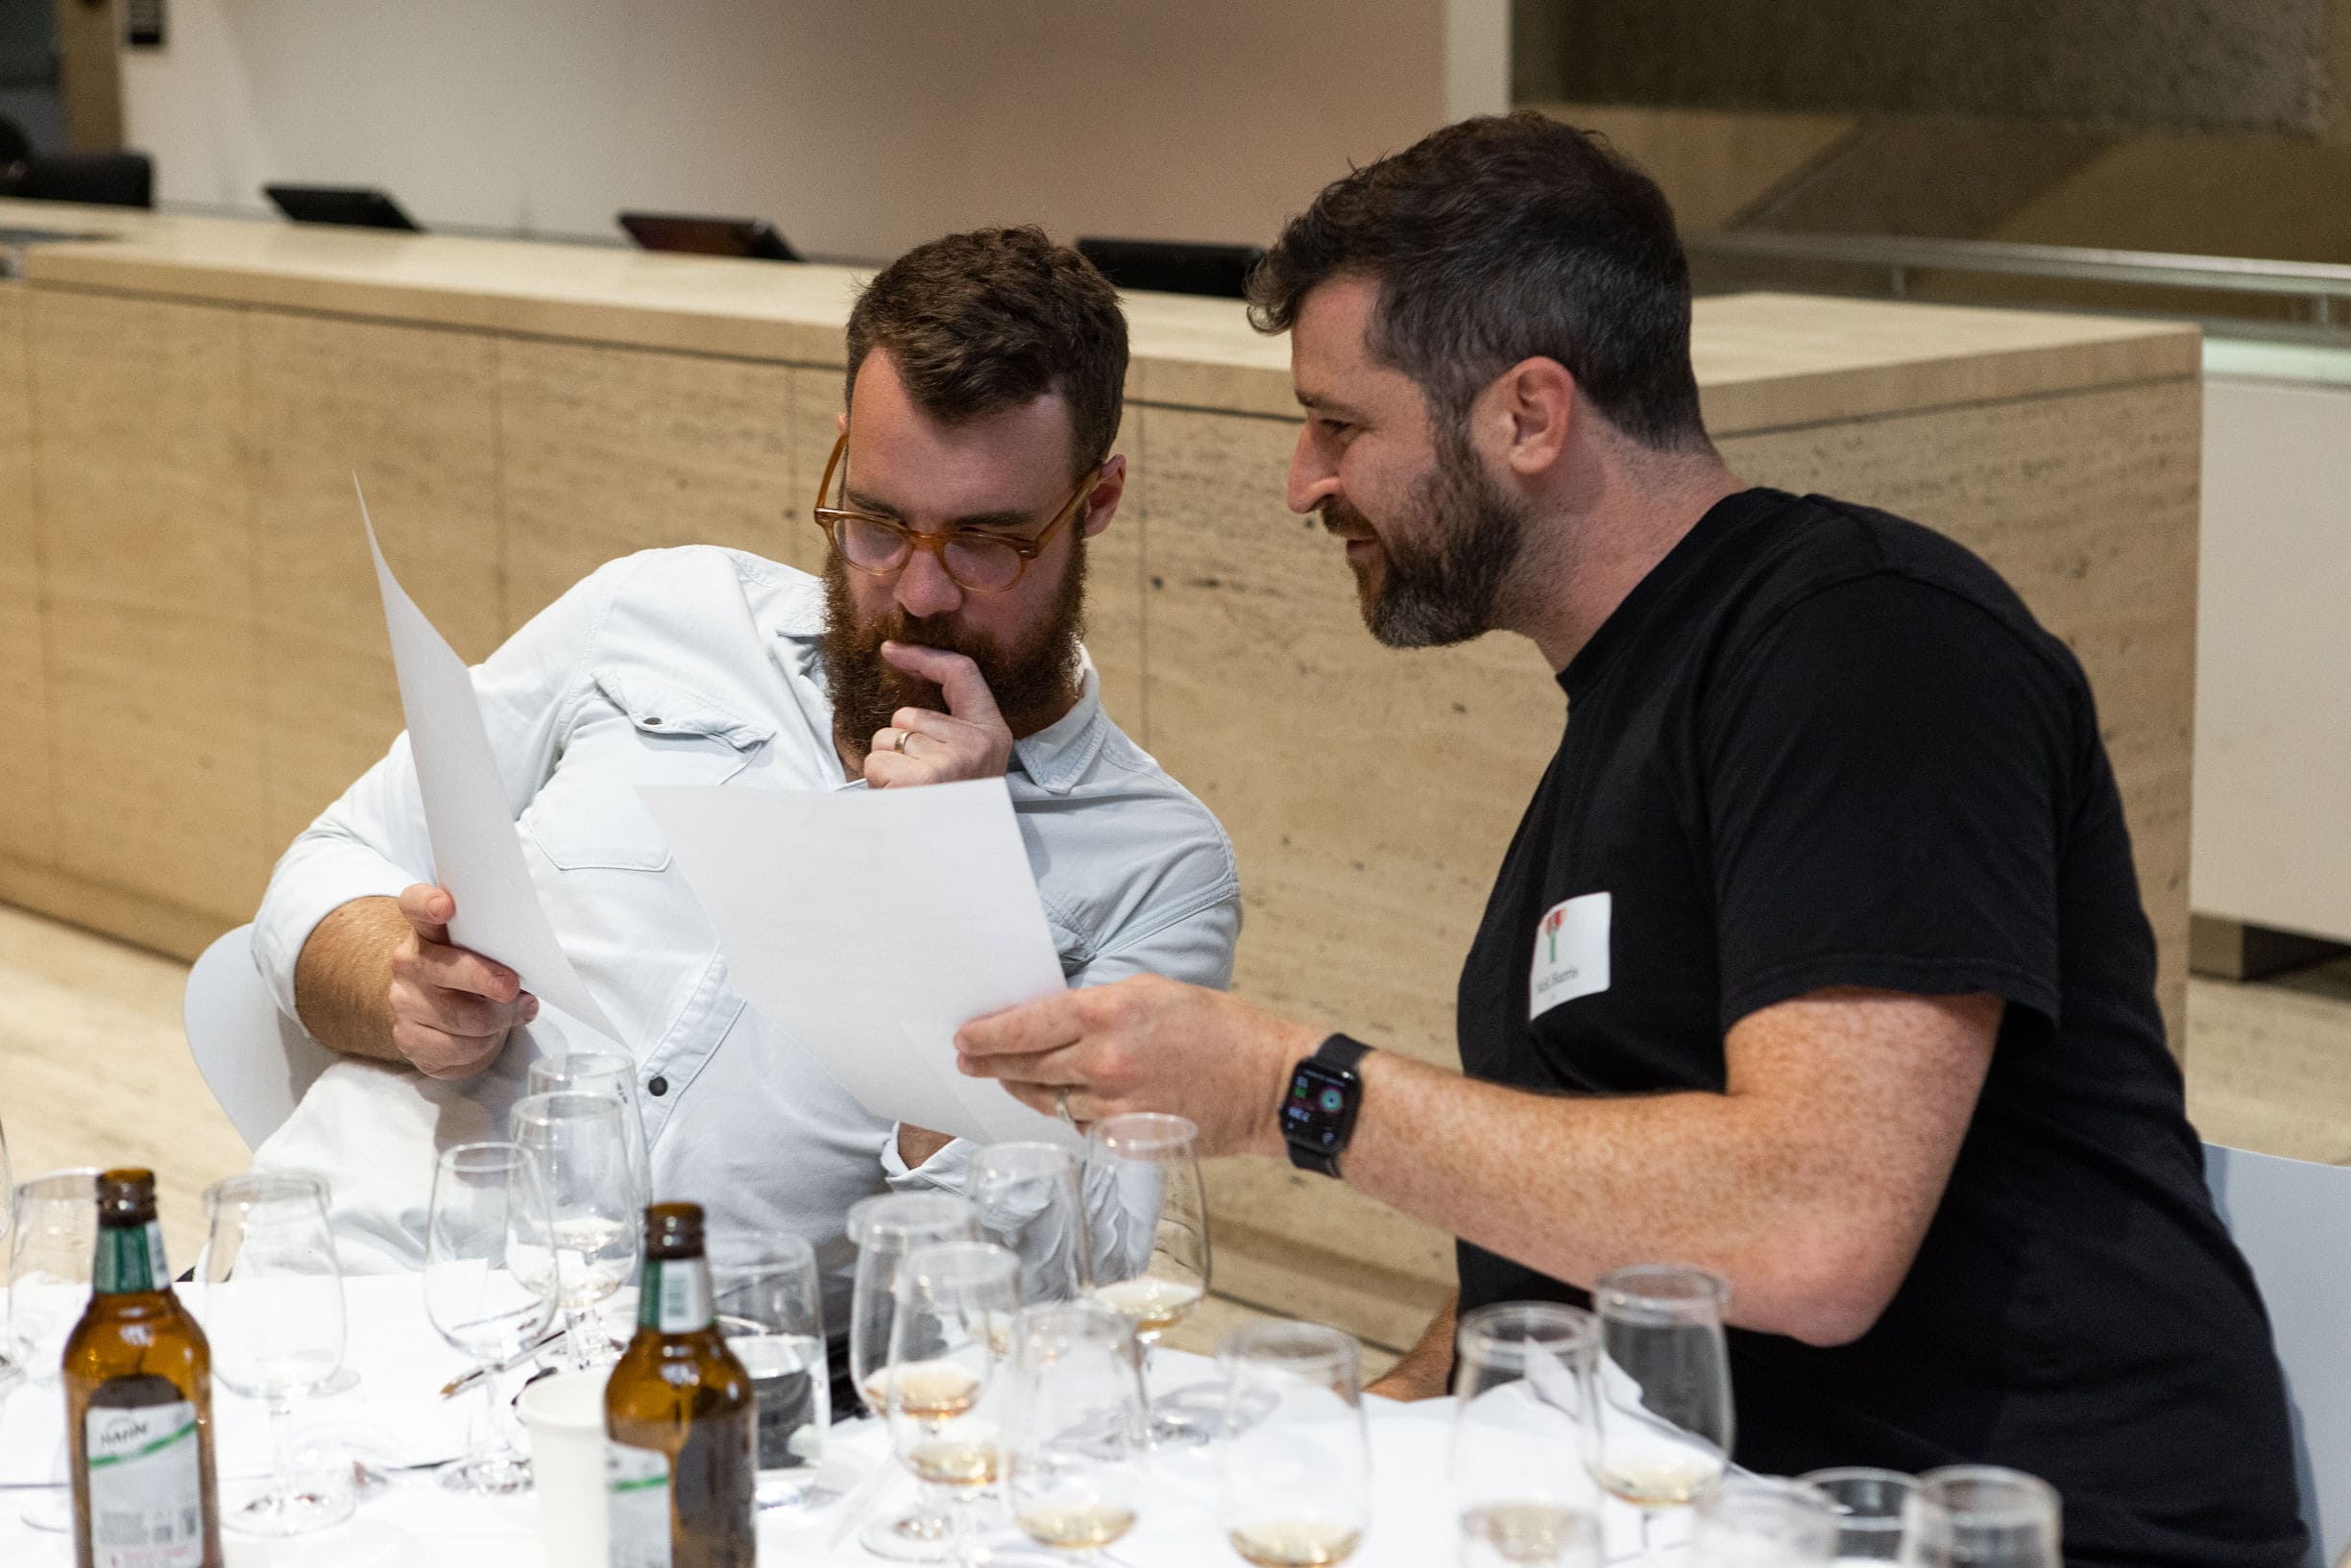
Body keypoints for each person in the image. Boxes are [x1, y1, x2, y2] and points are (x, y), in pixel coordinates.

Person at [952, 116, 2303, 1565]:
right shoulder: (1633, 710)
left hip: (1993, 1526)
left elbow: (1815, 1230)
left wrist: (1299, 1089)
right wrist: (1391, 1425)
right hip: (1701, 1505)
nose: (1303, 482)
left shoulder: (1869, 646)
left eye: (1340, 425)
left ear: (1531, 415)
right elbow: (1580, 1203)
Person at [248, 228, 1241, 1318]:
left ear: (1095, 504)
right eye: (877, 521)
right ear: (842, 454)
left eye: (985, 542)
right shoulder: (654, 613)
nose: (918, 593)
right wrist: (397, 984)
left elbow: (1066, 1278)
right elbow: (332, 861)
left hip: (686, 1372)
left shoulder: (1158, 868)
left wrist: (952, 898)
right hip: (338, 1270)